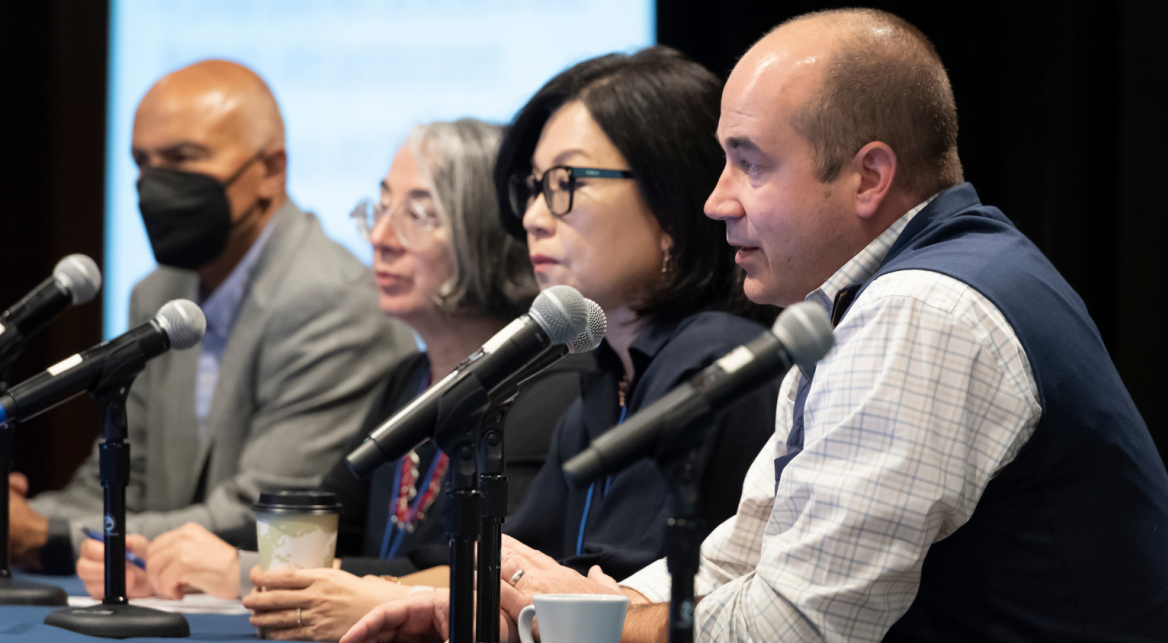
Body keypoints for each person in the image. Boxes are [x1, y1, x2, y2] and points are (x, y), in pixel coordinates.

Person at [344, 9, 1168, 643]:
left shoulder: (927, 309)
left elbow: (791, 631)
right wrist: (516, 614)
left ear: (869, 177)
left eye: (750, 164)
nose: (719, 200)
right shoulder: (858, 302)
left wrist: (554, 617)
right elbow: (742, 561)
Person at [76, 119, 593, 643]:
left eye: (416, 214)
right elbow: (322, 519)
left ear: (488, 233)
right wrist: (177, 558)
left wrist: (235, 570)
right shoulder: (409, 380)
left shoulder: (551, 388)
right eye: (381, 208)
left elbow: (492, 571)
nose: (379, 237)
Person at [341, 46, 782, 641]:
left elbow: (598, 593)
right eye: (533, 188)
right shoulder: (604, 377)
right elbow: (508, 561)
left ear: (671, 201)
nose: (533, 218)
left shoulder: (714, 360)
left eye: (565, 182)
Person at [6, 60, 414, 574]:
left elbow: (262, 512)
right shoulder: (160, 292)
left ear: (270, 171)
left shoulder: (331, 301)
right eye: (142, 163)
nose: (153, 185)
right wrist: (20, 518)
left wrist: (43, 535)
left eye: (183, 158)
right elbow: (127, 476)